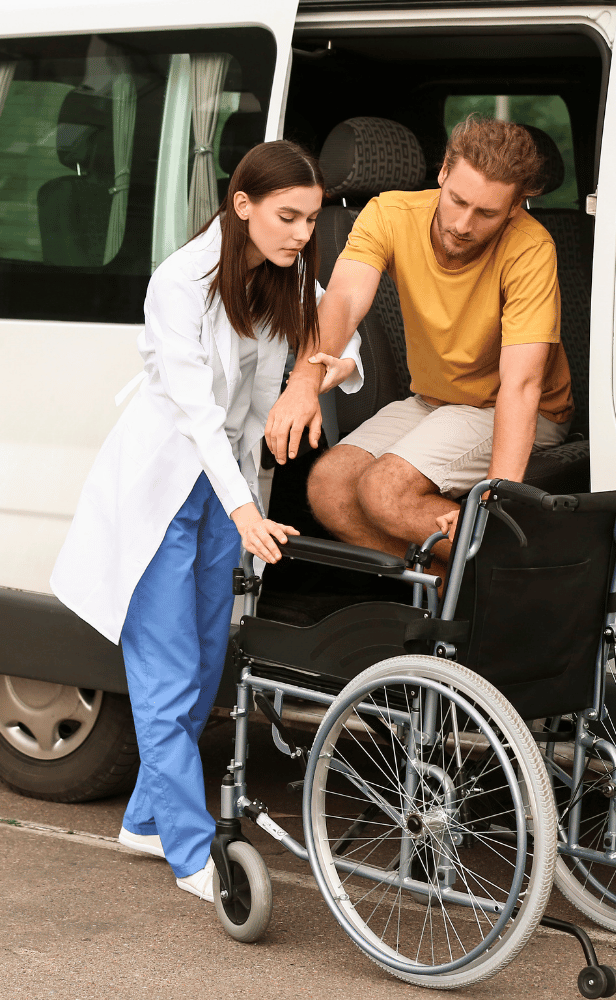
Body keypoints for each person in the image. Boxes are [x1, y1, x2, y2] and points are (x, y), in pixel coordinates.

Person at [50, 140, 363, 902]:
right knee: (162, 677)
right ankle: (193, 853)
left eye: (310, 220)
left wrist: (317, 371)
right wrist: (246, 506)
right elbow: (194, 415)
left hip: (225, 489)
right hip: (167, 488)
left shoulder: (285, 275)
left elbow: (343, 344)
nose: (299, 234)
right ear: (242, 204)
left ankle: (144, 820)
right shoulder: (179, 282)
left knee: (198, 671)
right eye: (286, 217)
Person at [264, 116, 574, 578]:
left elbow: (523, 385)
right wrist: (304, 382)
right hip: (436, 399)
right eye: (458, 201)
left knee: (384, 490)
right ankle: (455, 589)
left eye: (486, 213)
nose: (464, 224)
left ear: (514, 208)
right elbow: (344, 301)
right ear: (443, 172)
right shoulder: (390, 213)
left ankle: (520, 576)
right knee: (329, 485)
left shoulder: (530, 249)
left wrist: (496, 493)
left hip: (515, 408)